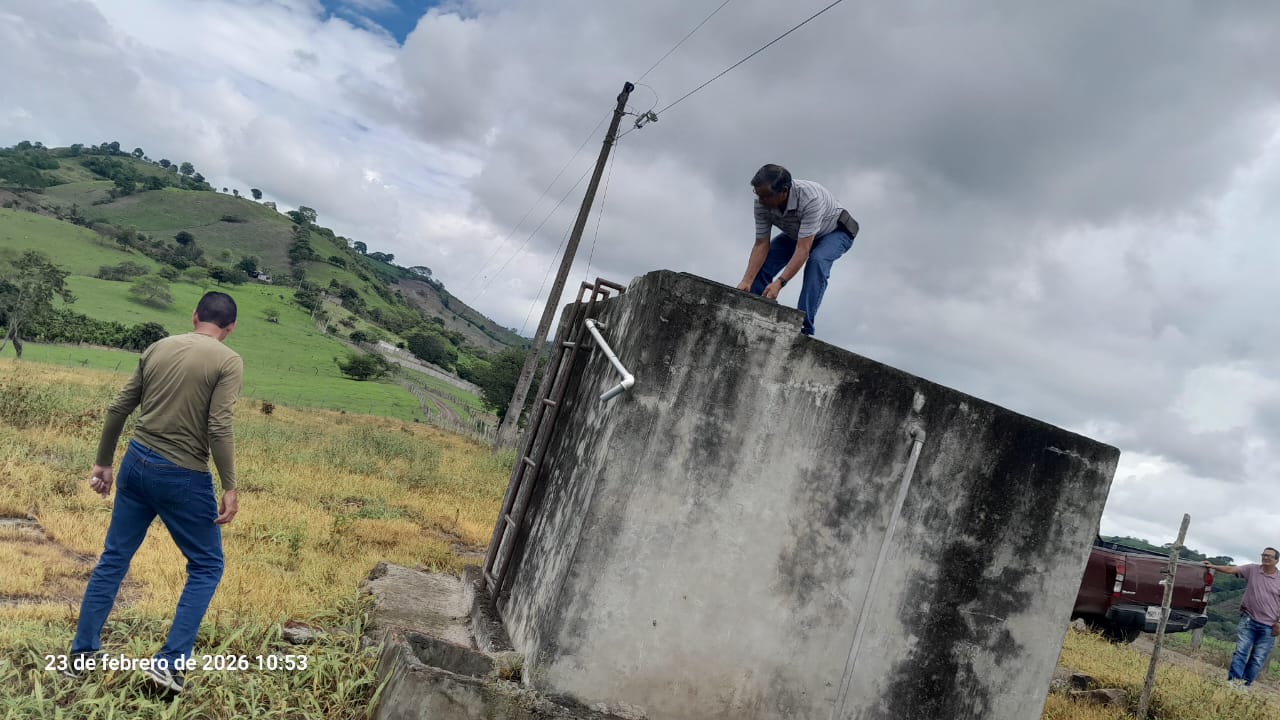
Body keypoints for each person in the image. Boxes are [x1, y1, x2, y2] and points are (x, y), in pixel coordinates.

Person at [65, 291, 243, 695]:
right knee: (207, 565)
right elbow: (218, 427)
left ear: (195, 315)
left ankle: (82, 656)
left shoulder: (159, 346)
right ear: (230, 327)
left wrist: (103, 462)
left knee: (114, 558)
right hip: (183, 474)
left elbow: (118, 407)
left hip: (136, 461)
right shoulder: (227, 360)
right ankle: (169, 664)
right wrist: (230, 485)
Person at [736, 164, 859, 336]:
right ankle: (750, 310)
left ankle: (803, 325)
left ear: (784, 191)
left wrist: (780, 283)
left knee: (817, 261)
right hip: (798, 233)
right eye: (757, 194)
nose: (761, 201)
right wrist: (746, 281)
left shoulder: (810, 198)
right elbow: (761, 244)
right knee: (763, 264)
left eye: (766, 196)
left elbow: (803, 250)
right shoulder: (761, 203)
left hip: (834, 232)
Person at [1204, 548, 1280, 687]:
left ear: (1276, 560)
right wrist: (1213, 566)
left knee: (1257, 659)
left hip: (1269, 627)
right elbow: (1231, 569)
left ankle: (1244, 686)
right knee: (1241, 652)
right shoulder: (1252, 569)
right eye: (1264, 555)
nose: (1265, 558)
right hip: (1248, 620)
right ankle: (1233, 684)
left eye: (1269, 556)